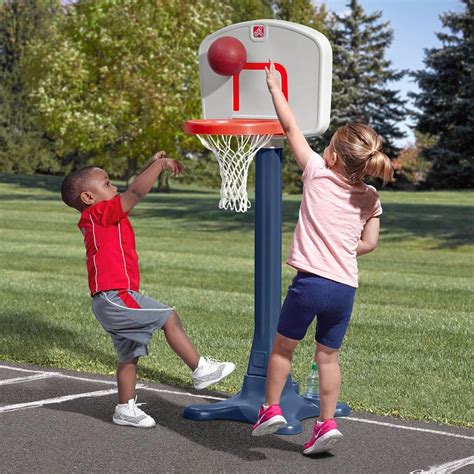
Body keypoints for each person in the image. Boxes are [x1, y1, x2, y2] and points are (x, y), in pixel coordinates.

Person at [251, 62, 393, 454]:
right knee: (327, 358)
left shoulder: (316, 171)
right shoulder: (371, 197)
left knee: (283, 348)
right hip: (345, 287)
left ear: (331, 157)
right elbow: (370, 243)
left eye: (327, 145)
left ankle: (271, 409)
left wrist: (275, 88)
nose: (323, 149)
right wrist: (344, 249)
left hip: (310, 283)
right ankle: (326, 423)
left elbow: (290, 128)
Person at [61, 152, 235, 428]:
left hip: (110, 298)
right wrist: (159, 166)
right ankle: (201, 369)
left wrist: (149, 166)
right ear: (88, 198)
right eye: (107, 184)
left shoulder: (100, 214)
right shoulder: (99, 213)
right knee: (169, 316)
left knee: (129, 354)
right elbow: (135, 192)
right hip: (115, 296)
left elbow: (132, 188)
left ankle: (125, 408)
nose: (114, 187)